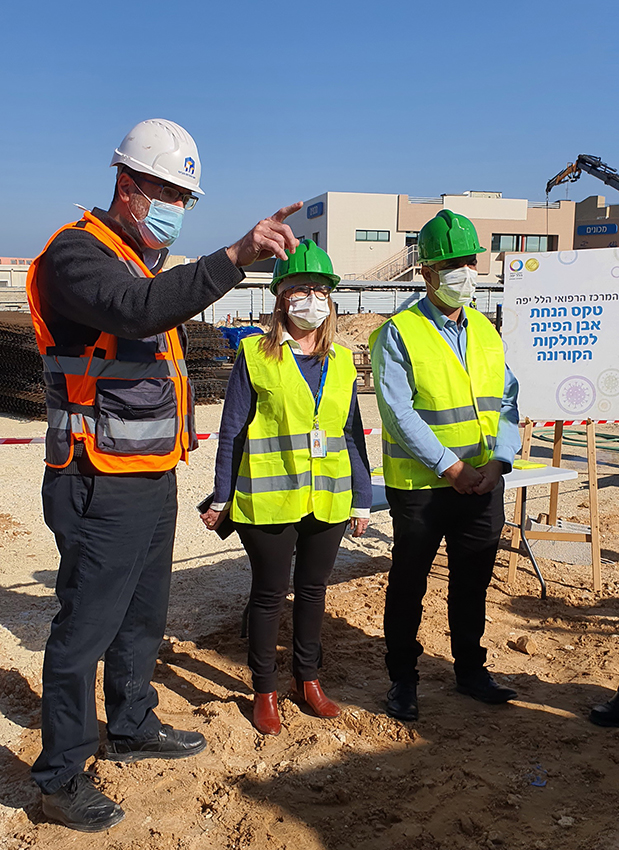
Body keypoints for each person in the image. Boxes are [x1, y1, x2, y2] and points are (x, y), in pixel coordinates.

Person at [26, 118, 302, 832]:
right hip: (95, 479)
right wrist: (235, 255)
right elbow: (135, 311)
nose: (177, 207)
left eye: (186, 197)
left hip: (148, 474)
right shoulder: (77, 255)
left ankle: (131, 724)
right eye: (167, 192)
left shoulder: (141, 263)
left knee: (142, 617)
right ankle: (60, 778)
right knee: (85, 628)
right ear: (126, 185)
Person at [201, 240, 372, 736]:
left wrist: (362, 497)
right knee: (270, 594)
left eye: (319, 290)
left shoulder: (343, 359)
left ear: (330, 300)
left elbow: (352, 432)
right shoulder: (255, 355)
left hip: (329, 497)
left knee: (314, 592)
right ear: (281, 297)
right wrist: (221, 495)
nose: (310, 300)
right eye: (299, 289)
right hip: (269, 498)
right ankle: (265, 690)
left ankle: (308, 680)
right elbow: (233, 429)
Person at [369, 210, 521, 722]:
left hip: (483, 483)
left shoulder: (486, 331)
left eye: (470, 261)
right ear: (427, 273)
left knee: (472, 581)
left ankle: (471, 670)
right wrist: (451, 468)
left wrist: (499, 461)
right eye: (452, 264)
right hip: (423, 488)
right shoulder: (398, 333)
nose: (465, 272)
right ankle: (403, 679)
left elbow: (506, 400)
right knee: (409, 584)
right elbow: (397, 412)